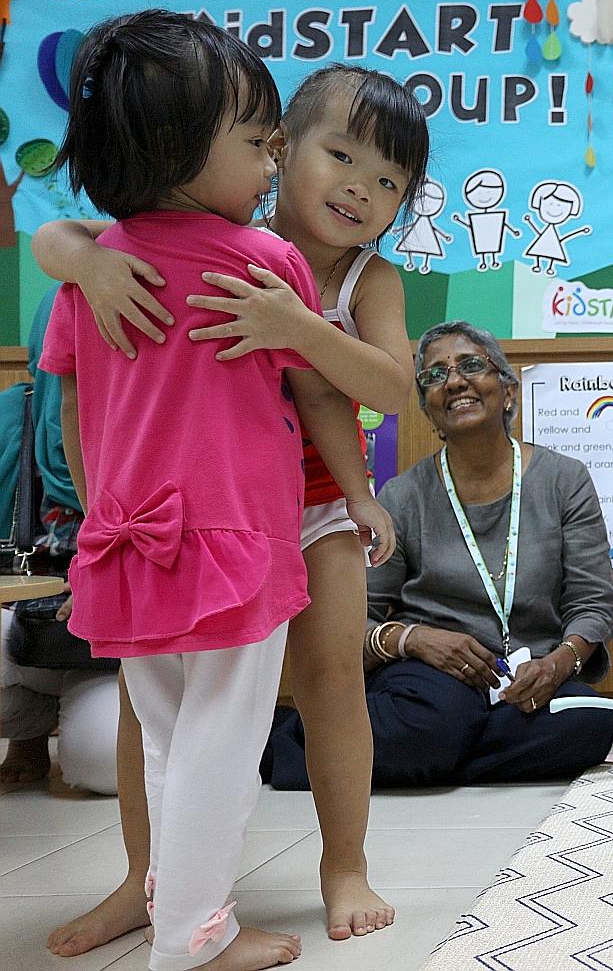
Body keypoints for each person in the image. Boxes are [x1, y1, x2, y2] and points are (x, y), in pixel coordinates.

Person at [34, 62, 428, 951]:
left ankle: (343, 863)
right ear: (276, 153)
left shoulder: (368, 279)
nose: (362, 191)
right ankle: (146, 882)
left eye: (390, 182)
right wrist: (88, 262)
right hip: (183, 506)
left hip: (318, 503)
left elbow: (390, 387)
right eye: (342, 158)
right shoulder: (201, 229)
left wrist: (302, 328)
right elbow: (55, 238)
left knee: (330, 680)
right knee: (153, 705)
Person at [266, 321, 613, 787]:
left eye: (471, 365)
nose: (454, 381)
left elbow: (593, 604)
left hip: (528, 676)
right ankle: (297, 743)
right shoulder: (403, 497)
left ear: (508, 392)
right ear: (429, 412)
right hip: (432, 678)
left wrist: (560, 664)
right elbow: (355, 620)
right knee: (434, 718)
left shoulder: (563, 480)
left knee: (588, 723)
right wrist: (413, 640)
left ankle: (417, 755)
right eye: (435, 375)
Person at [0, 286, 114, 792]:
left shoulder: (162, 431)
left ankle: (74, 728)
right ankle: (27, 735)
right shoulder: (10, 421)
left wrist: (103, 581)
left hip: (119, 655)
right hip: (21, 635)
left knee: (105, 760)